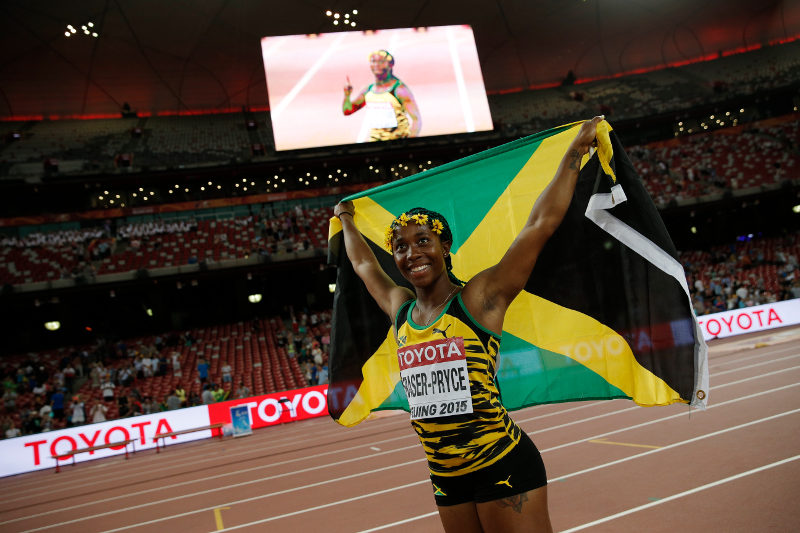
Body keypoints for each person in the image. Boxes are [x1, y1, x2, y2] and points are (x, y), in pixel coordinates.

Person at [333, 117, 603, 533]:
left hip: (501, 461)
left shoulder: (477, 298)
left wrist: (573, 153)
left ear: (445, 246)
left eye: (423, 240)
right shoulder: (401, 310)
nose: (411, 253)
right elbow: (364, 263)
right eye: (400, 247)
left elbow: (537, 227)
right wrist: (346, 220)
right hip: (445, 477)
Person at [342, 49, 422, 142]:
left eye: (381, 61)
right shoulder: (369, 90)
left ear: (391, 65)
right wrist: (347, 95)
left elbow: (416, 120)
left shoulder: (399, 90)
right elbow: (348, 110)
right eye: (373, 61)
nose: (376, 65)